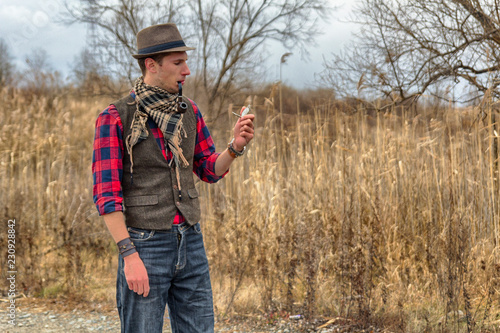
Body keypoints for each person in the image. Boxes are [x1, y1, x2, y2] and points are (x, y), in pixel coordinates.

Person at [92, 23, 255, 333]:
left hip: (191, 241)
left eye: (185, 61)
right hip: (145, 245)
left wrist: (235, 147)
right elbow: (107, 195)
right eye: (178, 62)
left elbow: (208, 169)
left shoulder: (189, 110)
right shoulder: (115, 117)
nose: (187, 70)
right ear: (152, 65)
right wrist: (128, 254)